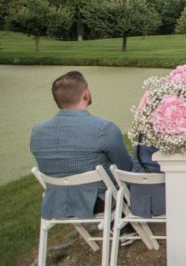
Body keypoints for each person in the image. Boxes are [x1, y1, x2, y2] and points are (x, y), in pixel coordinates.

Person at [30, 71, 133, 219]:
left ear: (55, 99)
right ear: (85, 94)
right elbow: (126, 168)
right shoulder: (104, 128)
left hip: (56, 202)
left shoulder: (37, 131)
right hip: (97, 202)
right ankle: (125, 228)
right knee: (134, 179)